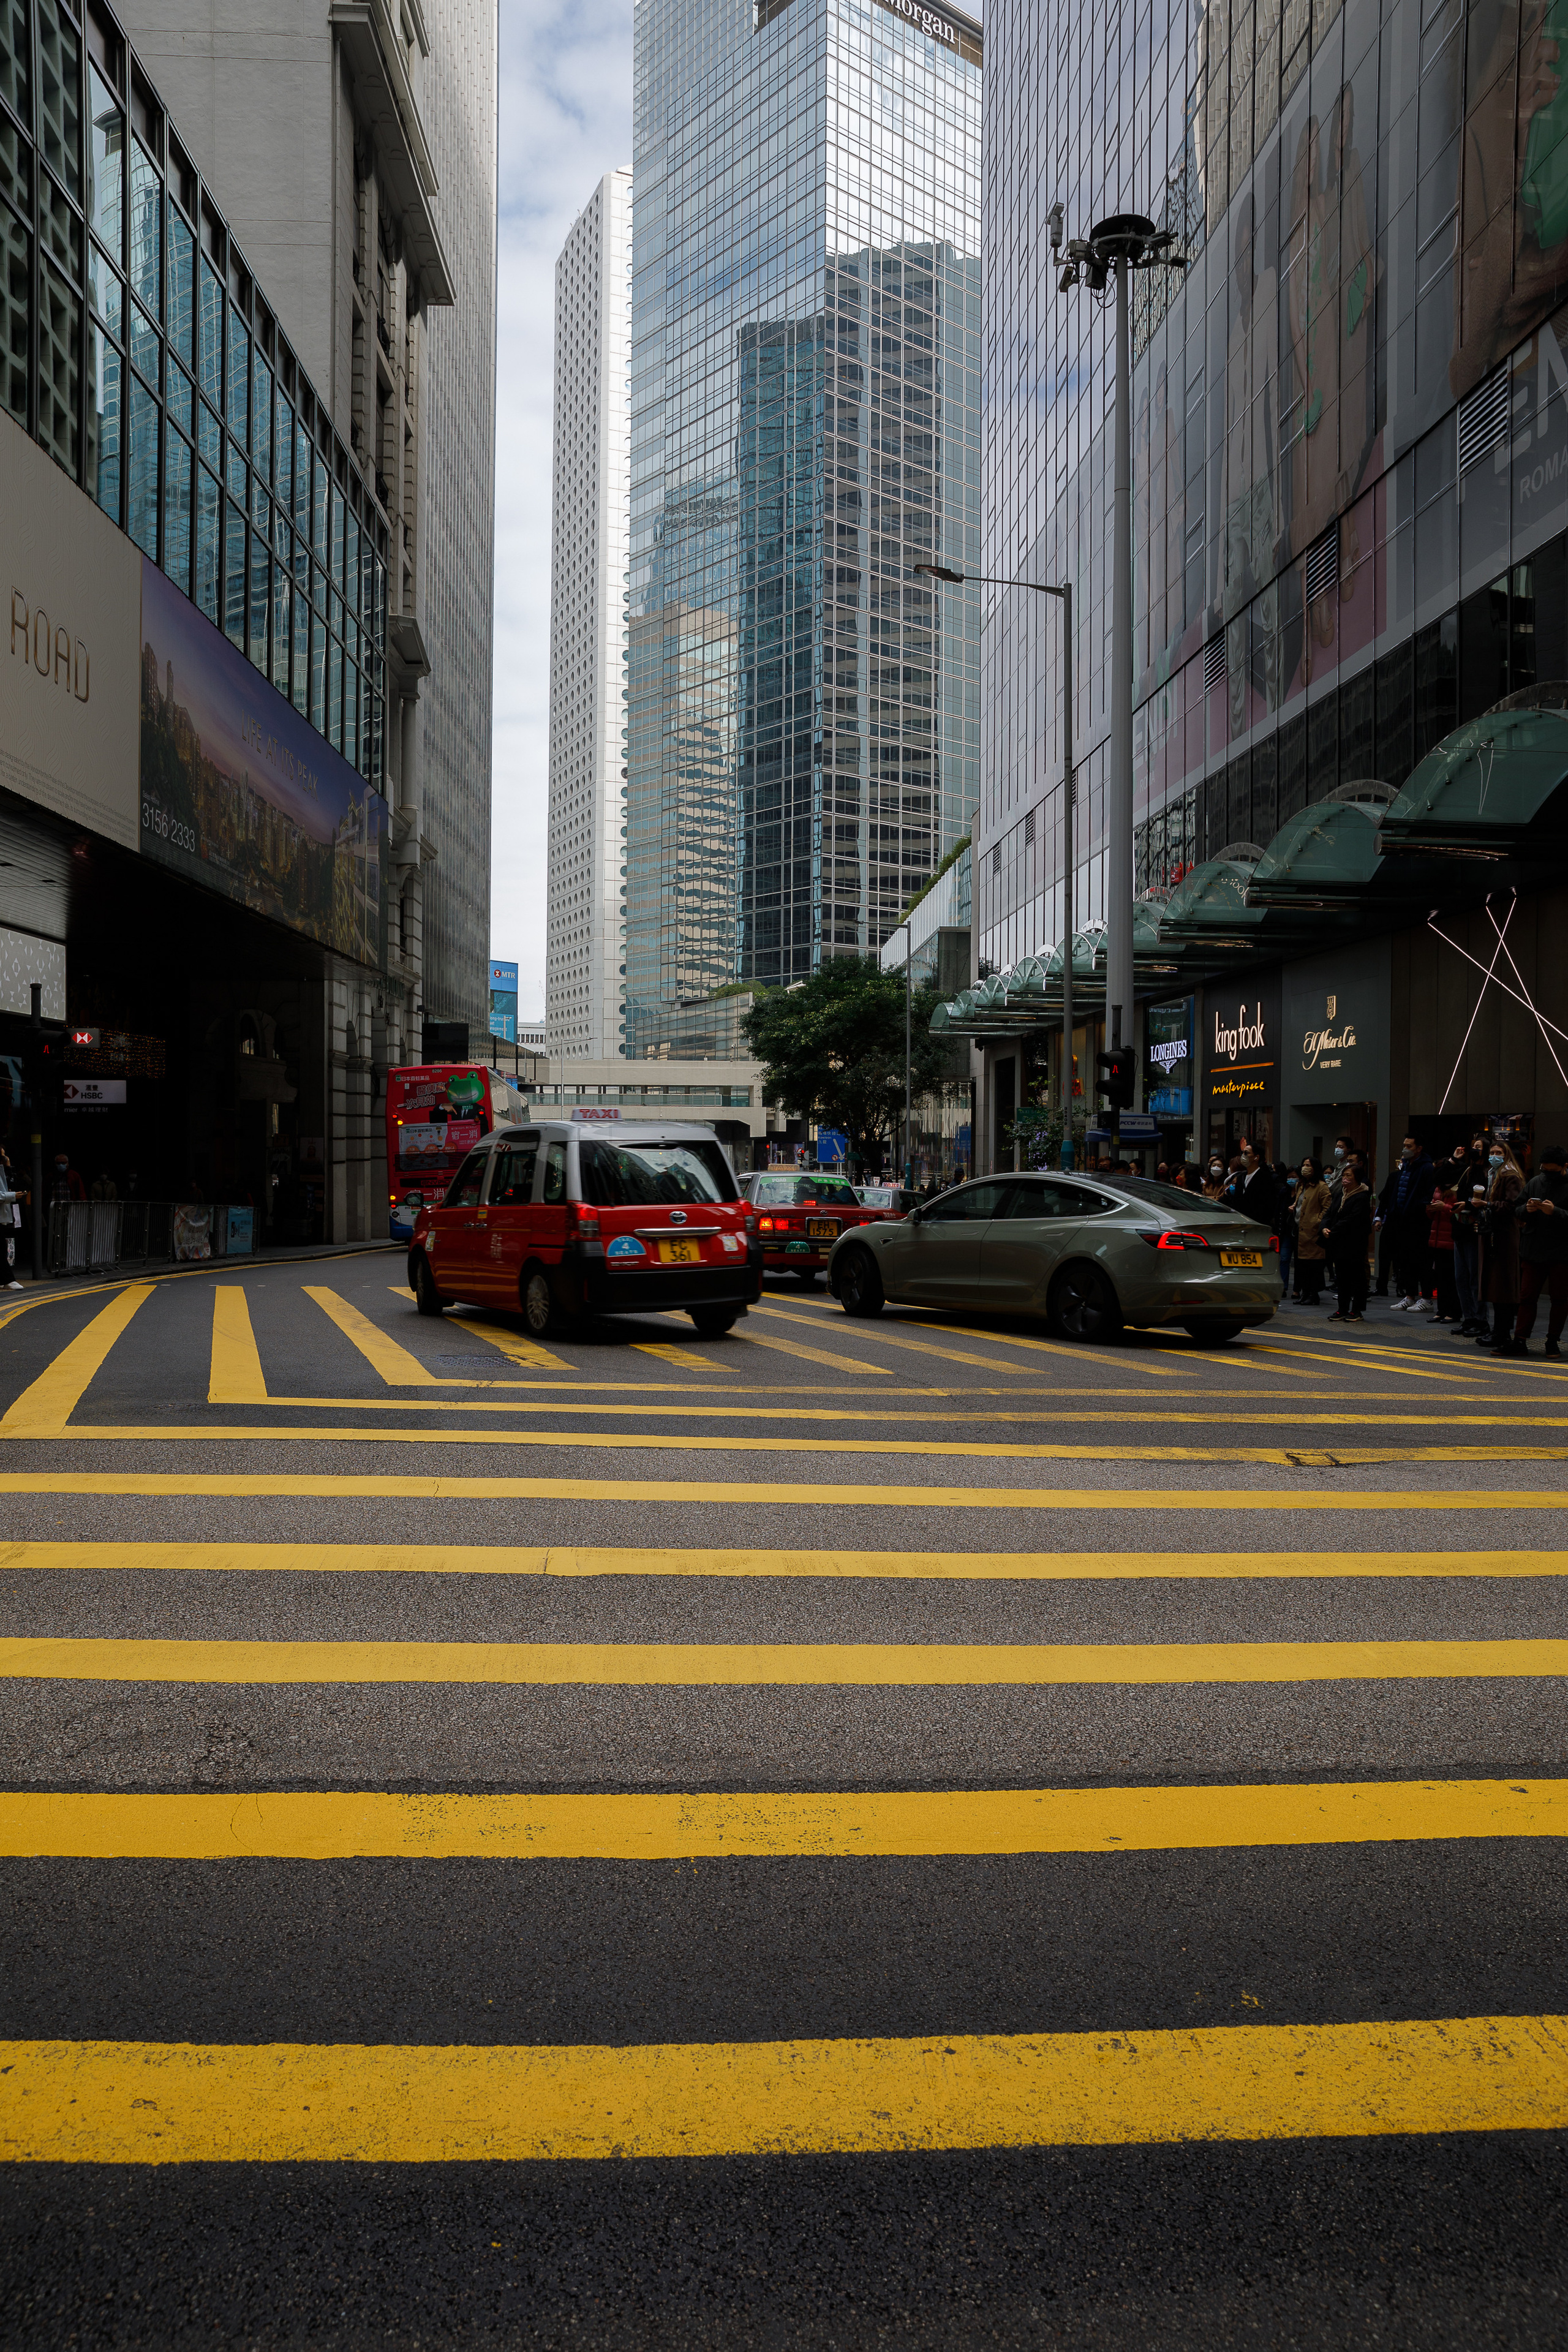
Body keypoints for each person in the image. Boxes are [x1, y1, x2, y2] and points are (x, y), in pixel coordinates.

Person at [1504, 1141, 1568, 1357]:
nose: (1547, 1174)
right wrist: (1528, 1209)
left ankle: (1552, 1342)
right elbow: (1518, 1211)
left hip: (1561, 1253)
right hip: (1533, 1250)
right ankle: (1520, 1340)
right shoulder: (1534, 1182)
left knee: (1559, 1299)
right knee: (1527, 1297)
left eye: (1552, 1171)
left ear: (1564, 1167)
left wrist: (1556, 1212)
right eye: (1544, 1170)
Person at [1474, 1138, 1526, 1348]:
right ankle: (1498, 1331)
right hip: (1494, 1235)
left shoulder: (1510, 1175)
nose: (1494, 1156)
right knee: (1495, 1285)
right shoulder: (1492, 1174)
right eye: (1492, 1152)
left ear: (1506, 1156)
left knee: (1502, 1285)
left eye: (1499, 1153)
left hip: (1504, 1237)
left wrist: (1487, 1204)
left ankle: (1502, 1332)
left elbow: (1512, 1204)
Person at [1378, 1135, 1437, 1312]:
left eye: (1409, 1145)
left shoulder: (1426, 1168)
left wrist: (1418, 1210)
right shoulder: (1406, 1166)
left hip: (1419, 1222)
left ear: (1419, 1148)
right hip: (1402, 1220)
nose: (1405, 1149)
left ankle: (1426, 1298)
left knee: (1422, 1261)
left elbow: (1428, 1193)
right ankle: (1410, 1296)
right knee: (1406, 1260)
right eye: (1404, 1145)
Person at [1322, 1161, 1373, 1321]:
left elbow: (1353, 1220)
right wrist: (1324, 1227)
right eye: (1343, 1175)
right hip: (1339, 1242)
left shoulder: (1362, 1196)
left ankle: (1357, 1311)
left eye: (1348, 1176)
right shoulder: (1340, 1193)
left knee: (1357, 1277)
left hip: (1355, 1243)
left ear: (1357, 1178)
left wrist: (1334, 1230)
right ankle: (1342, 1309)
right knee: (1342, 1277)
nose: (1344, 1179)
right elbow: (1329, 1213)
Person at [1451, 1178, 1487, 1335]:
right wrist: (1453, 1161)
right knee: (1461, 1279)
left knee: (1474, 1279)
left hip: (1475, 1232)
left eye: (1498, 1152)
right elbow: (1440, 1177)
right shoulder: (1464, 1172)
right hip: (1459, 1230)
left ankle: (1480, 1320)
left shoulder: (1486, 1175)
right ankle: (1469, 1318)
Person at [1294, 1156, 1330, 1304]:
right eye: (1304, 1165)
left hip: (1313, 1231)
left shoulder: (1321, 1186)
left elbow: (1327, 1208)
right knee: (1301, 1265)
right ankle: (1305, 1293)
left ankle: (1313, 1295)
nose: (1305, 1167)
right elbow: (1300, 1203)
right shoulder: (1301, 1185)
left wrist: (1318, 1221)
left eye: (1308, 1165)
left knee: (1313, 1266)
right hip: (1300, 1230)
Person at [1427, 1175, 1460, 1322]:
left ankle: (1453, 1312)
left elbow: (1459, 1211)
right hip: (1437, 1237)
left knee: (1451, 1278)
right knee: (1440, 1277)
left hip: (1451, 1238)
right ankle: (1442, 1310)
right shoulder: (1438, 1188)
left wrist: (1444, 1208)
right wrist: (1431, 1208)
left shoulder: (1457, 1188)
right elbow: (1431, 1215)